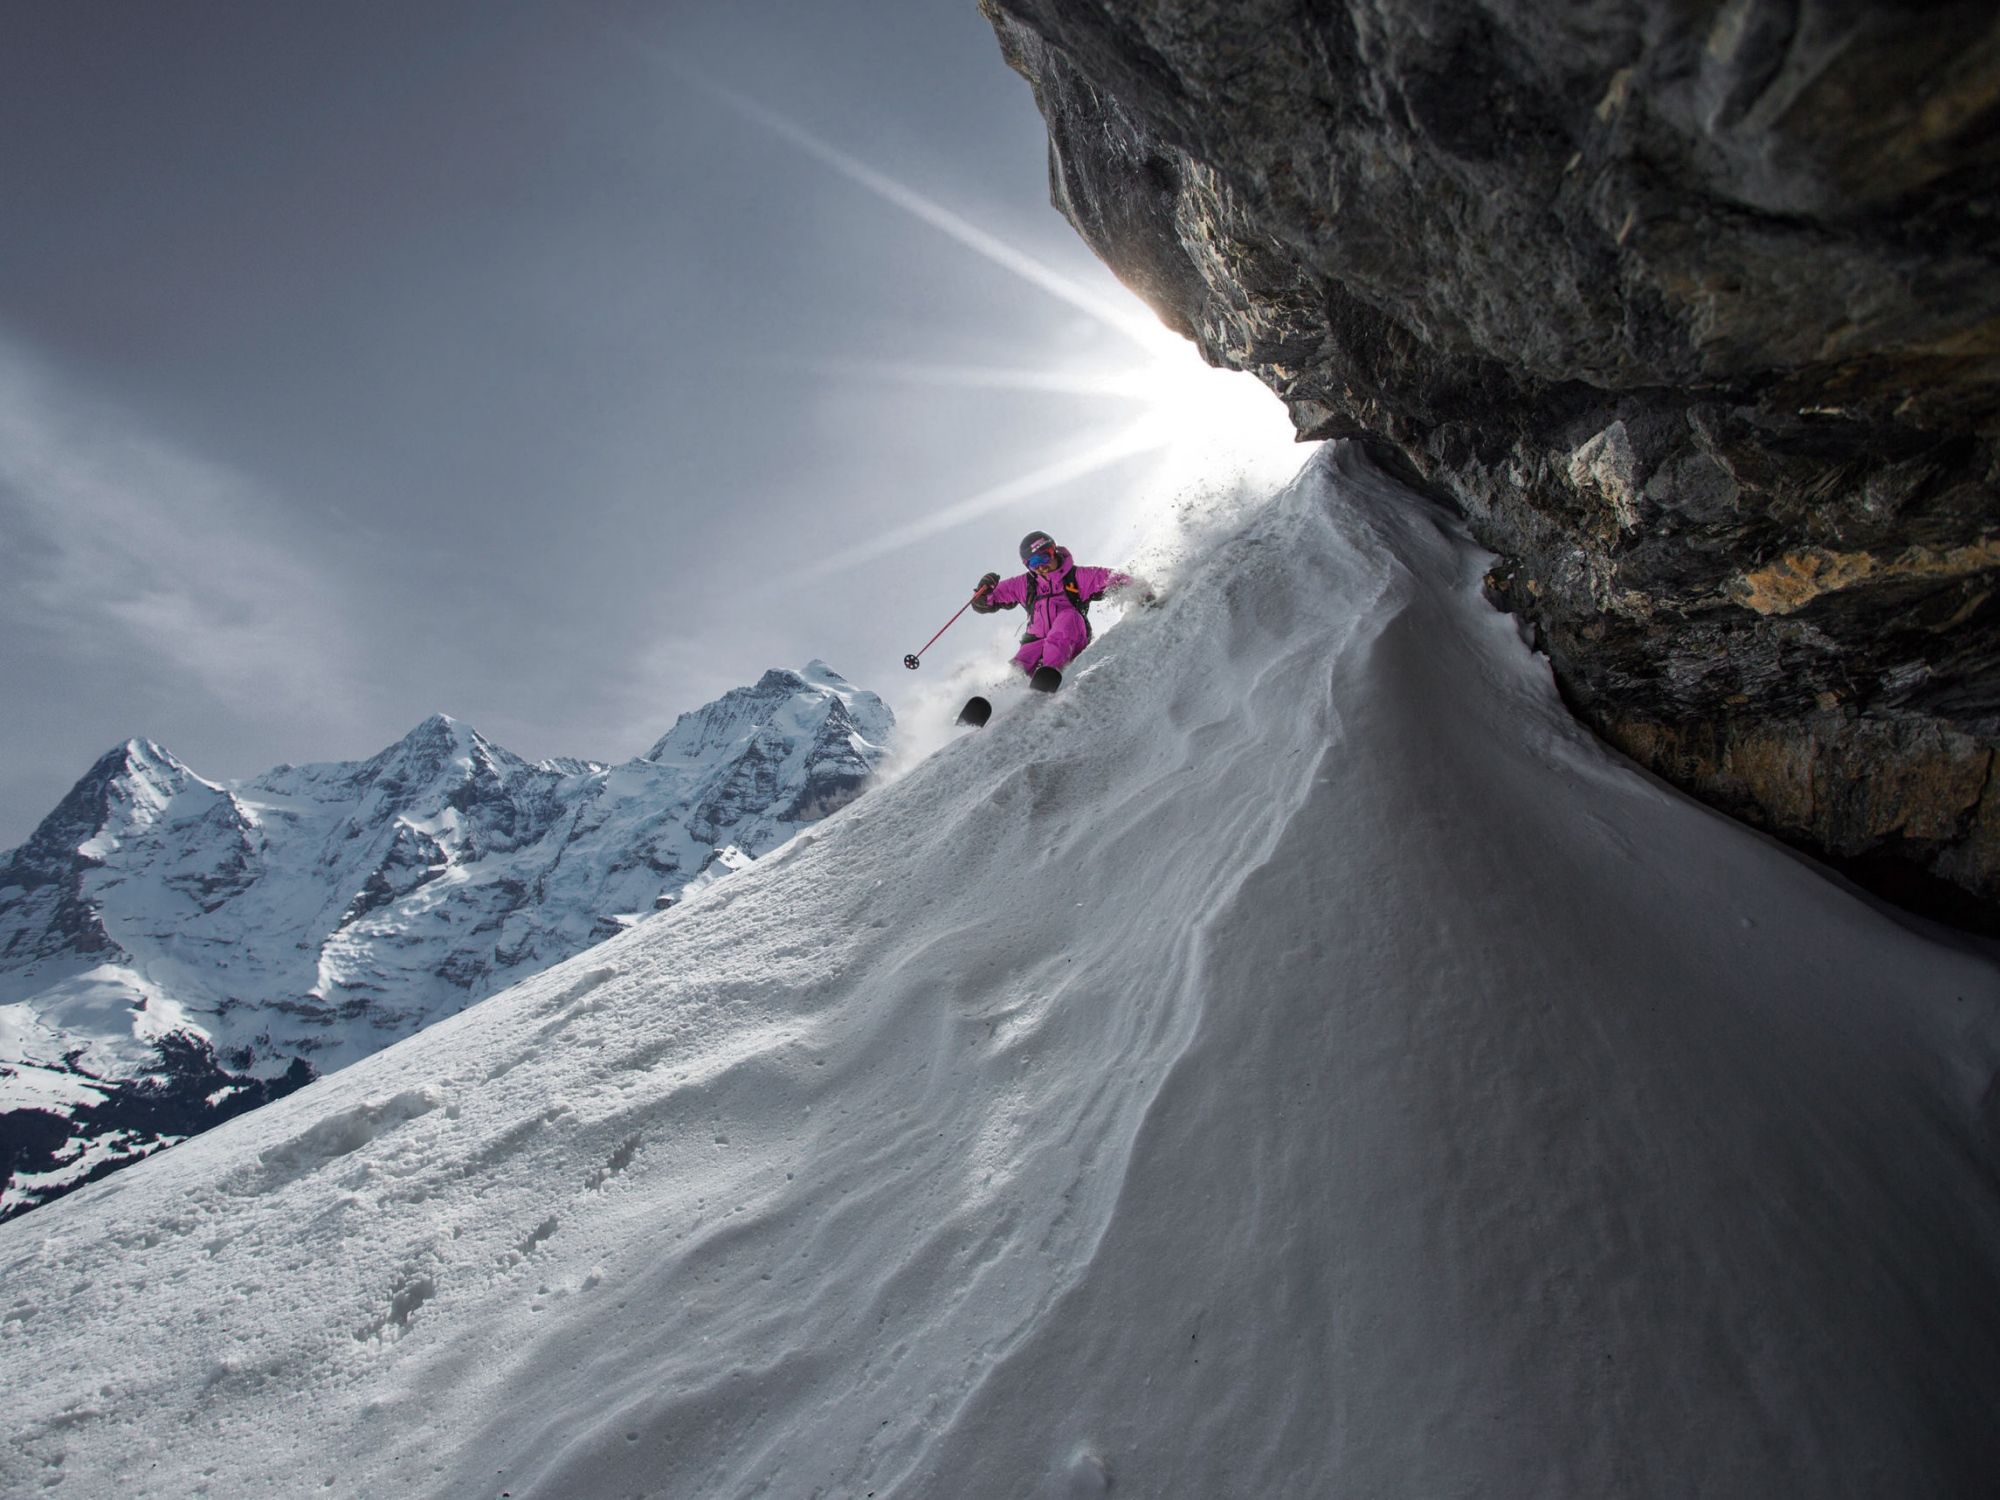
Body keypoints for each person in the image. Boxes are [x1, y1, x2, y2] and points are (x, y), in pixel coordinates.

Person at [971, 530, 1135, 679]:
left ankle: (1049, 673)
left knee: (1067, 617)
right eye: (1034, 563)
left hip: (1072, 638)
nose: (1041, 566)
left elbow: (1117, 577)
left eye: (1044, 557)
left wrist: (1140, 591)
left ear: (1054, 551)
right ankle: (1008, 692)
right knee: (1022, 660)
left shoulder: (1077, 576)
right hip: (1036, 642)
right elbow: (985, 602)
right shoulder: (1026, 584)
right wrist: (982, 593)